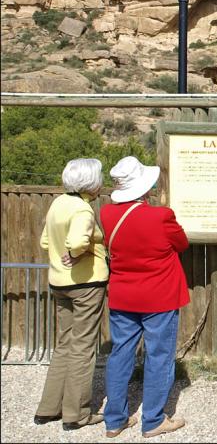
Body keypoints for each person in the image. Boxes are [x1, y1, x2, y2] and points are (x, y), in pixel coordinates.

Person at [100, 156, 189, 439]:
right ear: (145, 187)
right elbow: (181, 243)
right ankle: (153, 420)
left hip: (123, 295)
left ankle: (114, 419)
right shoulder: (161, 216)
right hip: (159, 296)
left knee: (119, 354)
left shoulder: (106, 214)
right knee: (159, 356)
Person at [33, 158, 108, 431]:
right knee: (83, 347)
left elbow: (44, 241)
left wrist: (64, 252)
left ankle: (48, 408)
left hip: (59, 283)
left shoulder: (58, 204)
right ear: (92, 182)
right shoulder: (82, 209)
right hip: (87, 284)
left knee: (64, 344)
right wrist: (78, 252)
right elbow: (77, 242)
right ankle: (76, 414)